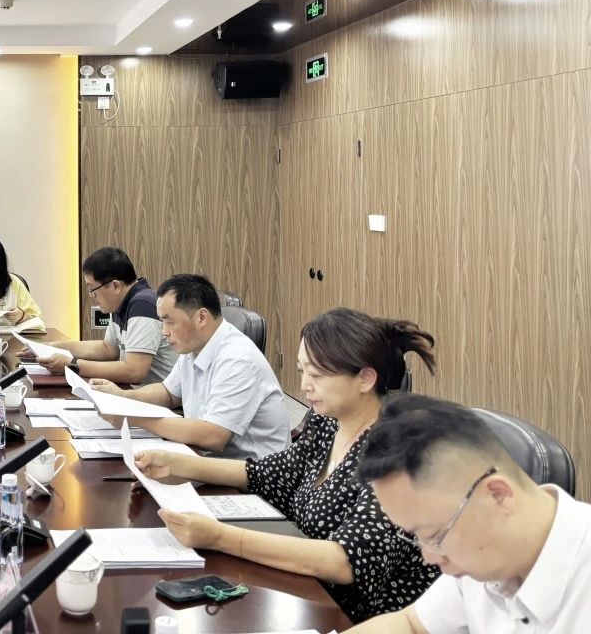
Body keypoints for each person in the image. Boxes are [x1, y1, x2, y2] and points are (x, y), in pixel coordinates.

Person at [132, 307, 440, 622]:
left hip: (364, 618)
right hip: (309, 590)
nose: (305, 385)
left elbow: (346, 561)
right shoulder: (328, 421)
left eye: (317, 375)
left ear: (365, 378)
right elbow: (269, 473)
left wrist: (219, 538)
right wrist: (180, 465)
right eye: (301, 371)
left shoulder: (395, 452)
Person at [348, 394, 591, 633]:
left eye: (434, 536)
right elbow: (410, 624)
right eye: (417, 538)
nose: (429, 557)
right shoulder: (481, 558)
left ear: (498, 495)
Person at [89, 273, 288, 458]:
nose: (164, 332)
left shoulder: (238, 359)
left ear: (201, 318)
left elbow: (214, 435)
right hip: (206, 459)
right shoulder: (195, 346)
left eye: (169, 322)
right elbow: (168, 393)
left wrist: (132, 418)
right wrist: (121, 397)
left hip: (250, 474)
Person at [37, 247, 174, 385]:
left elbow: (134, 372)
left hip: (157, 398)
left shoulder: (143, 305)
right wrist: (52, 347)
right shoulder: (121, 303)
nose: (91, 295)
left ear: (115, 286)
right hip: (133, 393)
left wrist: (73, 365)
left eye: (92, 289)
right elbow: (108, 349)